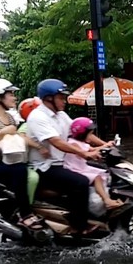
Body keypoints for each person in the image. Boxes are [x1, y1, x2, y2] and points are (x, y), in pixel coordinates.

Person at [26, 79, 101, 235]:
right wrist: (85, 153)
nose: (64, 101)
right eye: (61, 97)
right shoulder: (38, 117)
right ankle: (78, 226)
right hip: (46, 167)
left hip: (62, 162)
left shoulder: (60, 115)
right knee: (81, 182)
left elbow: (79, 131)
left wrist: (106, 144)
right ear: (48, 99)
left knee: (101, 170)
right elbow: (57, 142)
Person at [0, 78, 45, 232]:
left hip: (9, 159)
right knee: (20, 170)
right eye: (10, 94)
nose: (14, 98)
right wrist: (1, 133)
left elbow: (19, 137)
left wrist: (40, 147)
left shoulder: (9, 118)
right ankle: (25, 214)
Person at [64, 117, 123, 210]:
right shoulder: (73, 144)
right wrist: (102, 148)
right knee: (97, 177)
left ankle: (108, 196)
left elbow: (93, 149)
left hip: (82, 167)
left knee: (106, 173)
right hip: (74, 169)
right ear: (81, 134)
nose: (91, 137)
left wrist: (106, 145)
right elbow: (87, 153)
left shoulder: (82, 143)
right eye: (90, 134)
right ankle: (107, 200)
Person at [17, 97, 47, 204]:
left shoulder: (43, 124)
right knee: (33, 179)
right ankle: (28, 206)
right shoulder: (26, 125)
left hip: (43, 161)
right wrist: (39, 147)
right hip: (31, 163)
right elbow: (22, 137)